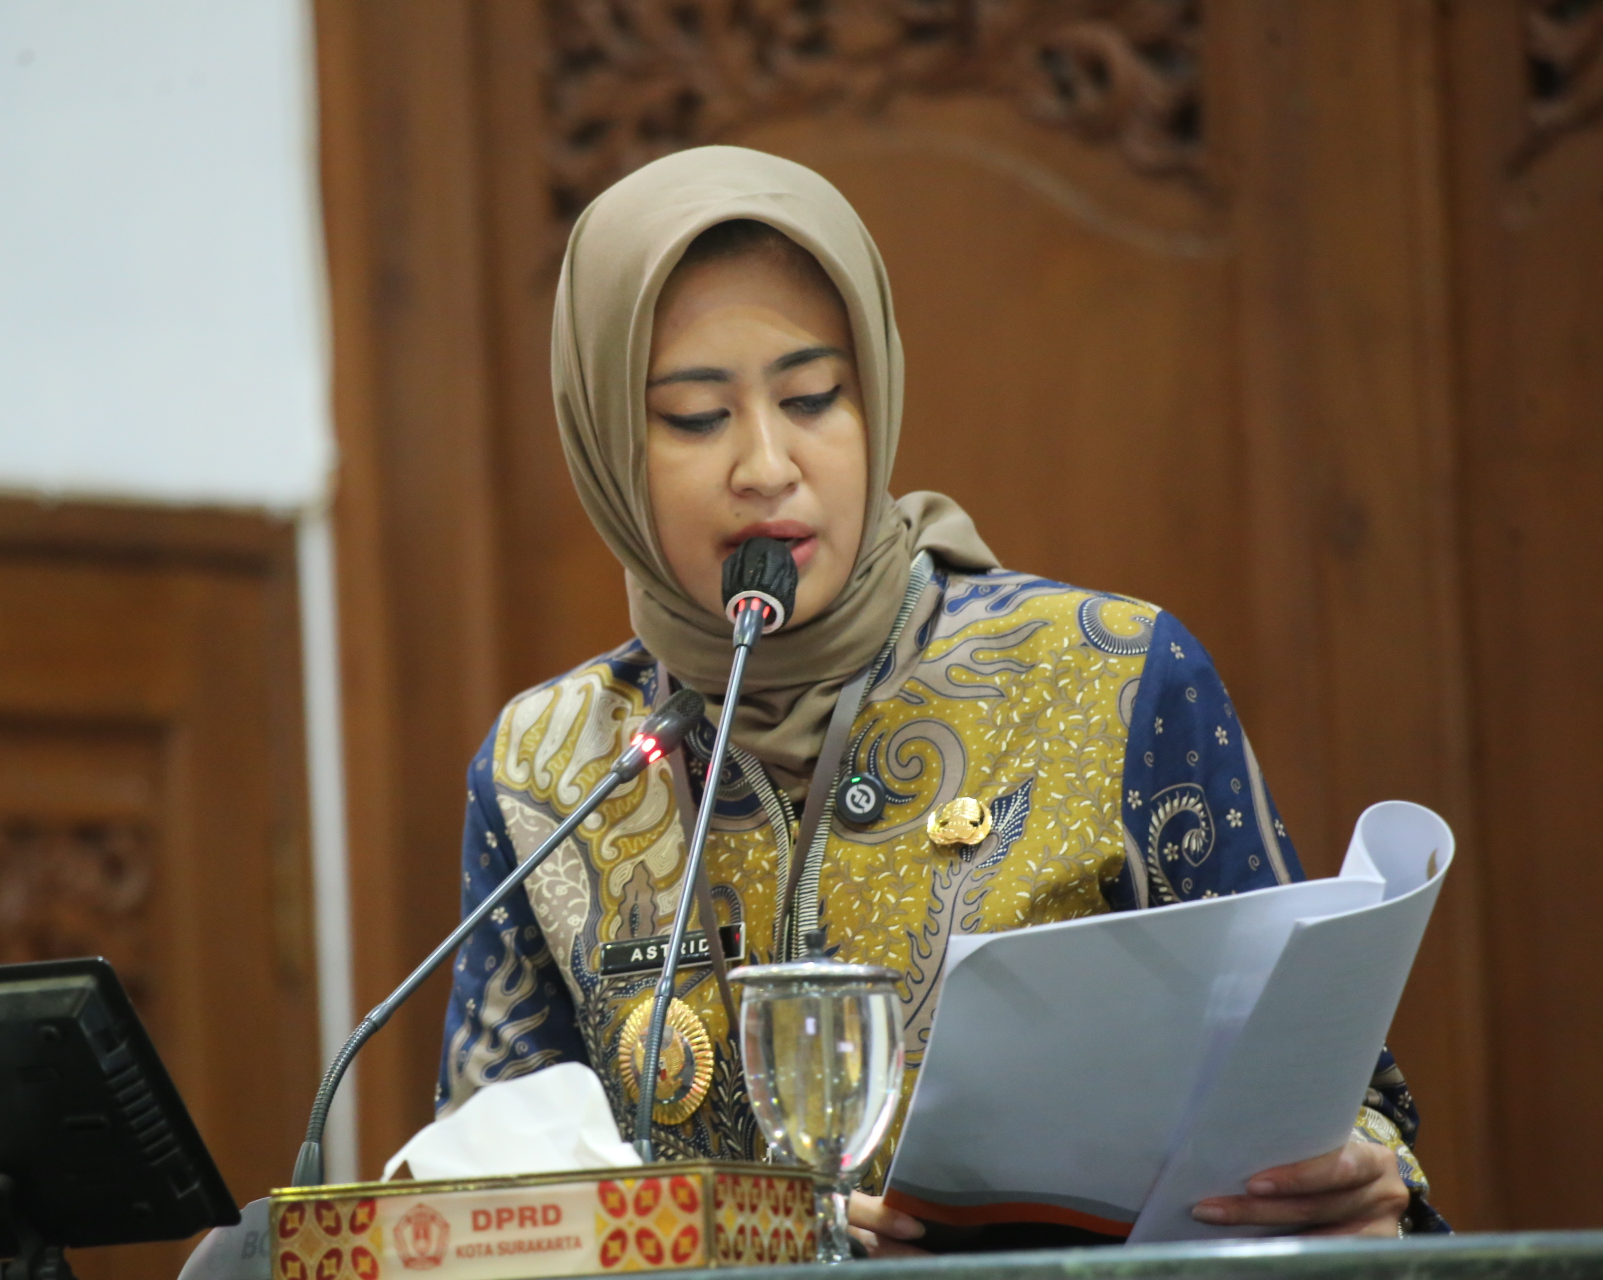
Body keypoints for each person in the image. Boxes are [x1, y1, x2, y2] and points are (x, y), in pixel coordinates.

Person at [437, 146, 1443, 1250]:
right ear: (605, 445)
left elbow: (1339, 1091)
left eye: (813, 398)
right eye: (695, 416)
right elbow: (484, 1209)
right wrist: (747, 1237)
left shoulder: (1105, 673)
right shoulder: (549, 769)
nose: (767, 464)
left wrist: (1359, 1179)